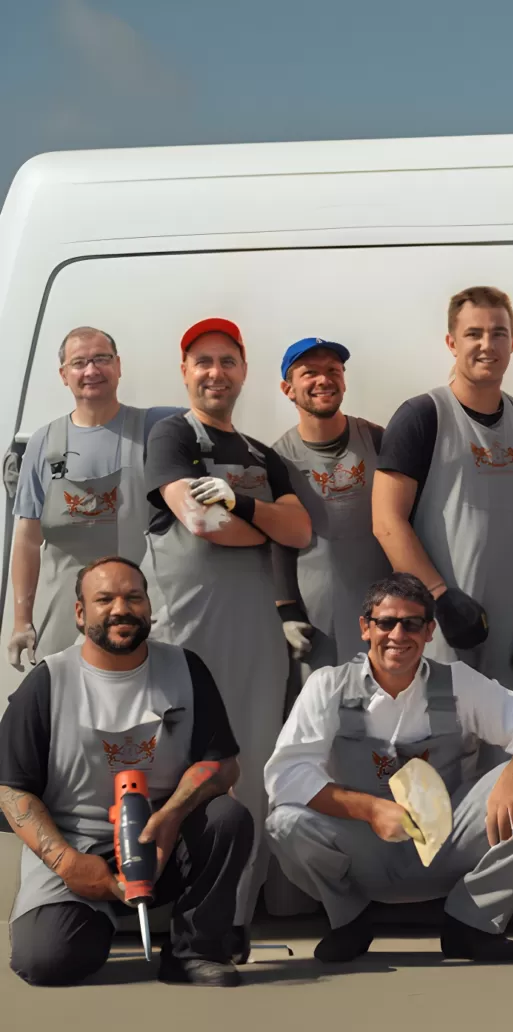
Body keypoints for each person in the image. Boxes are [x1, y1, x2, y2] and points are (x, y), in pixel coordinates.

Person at [373, 287, 513, 917]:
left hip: (512, 623)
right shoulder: (422, 416)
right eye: (475, 334)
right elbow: (387, 520)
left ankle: (496, 902)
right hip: (443, 625)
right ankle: (420, 895)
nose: (487, 345)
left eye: (499, 333)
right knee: (440, 759)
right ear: (452, 342)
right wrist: (438, 597)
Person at [263, 572, 513, 964]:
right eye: (385, 622)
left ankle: (472, 924)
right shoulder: (329, 686)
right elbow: (287, 775)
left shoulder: (459, 682)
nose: (397, 634)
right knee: (284, 822)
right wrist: (370, 810)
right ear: (365, 628)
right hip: (365, 849)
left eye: (412, 623)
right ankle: (349, 918)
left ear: (429, 631)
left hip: (447, 842)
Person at [1, 557, 251, 986]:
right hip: (76, 847)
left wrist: (169, 819)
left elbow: (222, 765)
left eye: (134, 597)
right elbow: (11, 791)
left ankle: (196, 950)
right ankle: (91, 922)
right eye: (105, 599)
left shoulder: (185, 669)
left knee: (227, 819)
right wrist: (67, 863)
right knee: (46, 962)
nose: (121, 609)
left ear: (149, 607)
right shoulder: (49, 682)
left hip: (162, 841)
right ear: (80, 613)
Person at [143, 318, 312, 933]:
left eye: (227, 361)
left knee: (254, 767)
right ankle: (164, 917)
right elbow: (199, 521)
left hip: (256, 643)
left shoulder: (263, 456)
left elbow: (301, 532)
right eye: (203, 362)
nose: (216, 373)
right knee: (180, 773)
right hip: (186, 638)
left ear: (244, 371)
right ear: (186, 372)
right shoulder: (170, 436)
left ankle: (231, 920)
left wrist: (240, 503)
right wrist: (260, 521)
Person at [8, 328, 162, 667]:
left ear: (118, 366)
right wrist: (22, 621)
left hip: (134, 619)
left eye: (101, 359)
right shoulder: (44, 442)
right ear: (64, 375)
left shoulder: (155, 428)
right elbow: (28, 539)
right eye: (79, 363)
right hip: (64, 621)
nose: (91, 370)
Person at [268, 337, 394, 672]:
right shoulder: (278, 459)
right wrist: (287, 609)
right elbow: (278, 541)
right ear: (288, 388)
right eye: (309, 372)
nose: (324, 380)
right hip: (318, 622)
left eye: (333, 370)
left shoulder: (378, 439)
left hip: (384, 612)